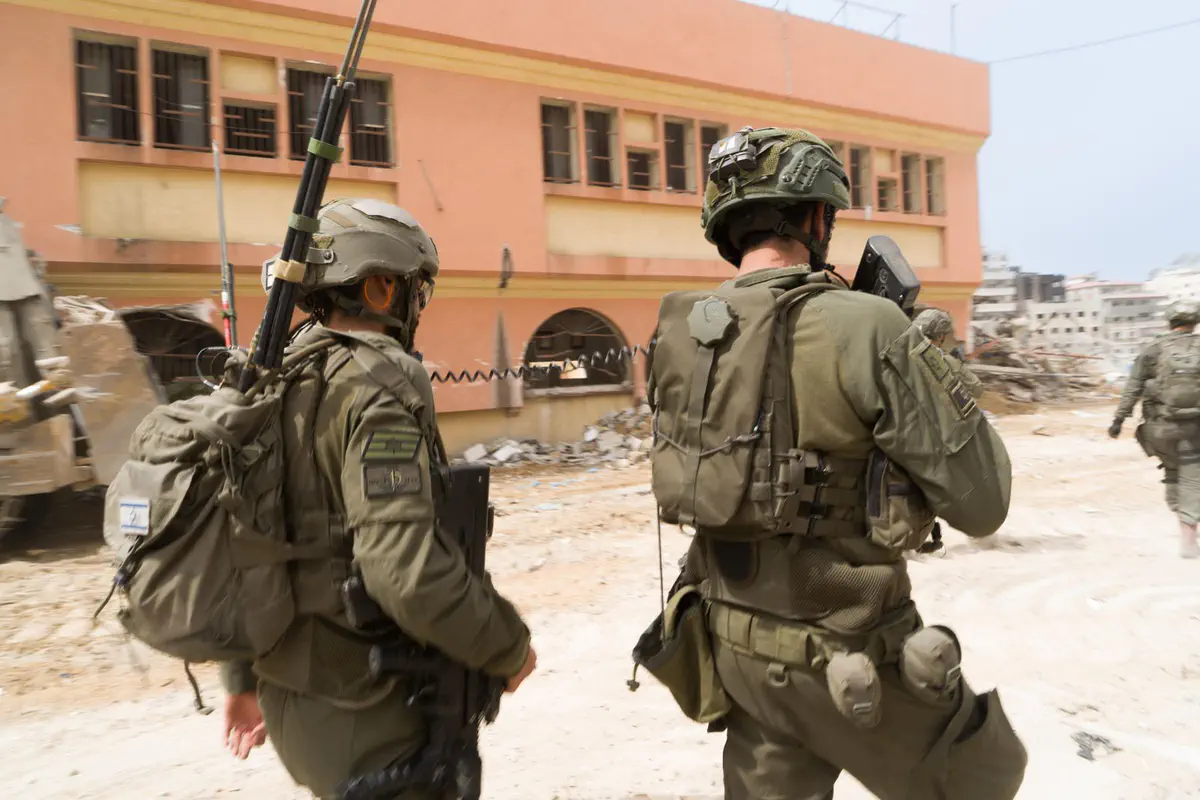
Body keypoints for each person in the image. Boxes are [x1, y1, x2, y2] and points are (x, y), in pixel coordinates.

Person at [661, 127, 1025, 799]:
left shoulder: (686, 330)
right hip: (847, 656)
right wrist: (930, 367)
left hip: (732, 649)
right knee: (988, 773)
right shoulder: (870, 325)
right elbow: (984, 504)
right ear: (816, 217)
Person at [219, 199, 537, 798]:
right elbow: (404, 572)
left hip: (291, 701)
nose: (418, 306)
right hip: (368, 710)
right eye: (416, 290)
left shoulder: (275, 380)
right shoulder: (376, 387)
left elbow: (242, 541)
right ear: (383, 288)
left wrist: (240, 679)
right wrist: (508, 646)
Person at [1110, 300, 1200, 559]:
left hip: (1160, 428)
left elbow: (1133, 388)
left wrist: (1118, 420)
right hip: (1194, 428)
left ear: (1170, 322)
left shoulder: (1153, 349)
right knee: (1192, 477)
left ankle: (1180, 515)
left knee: (1172, 471)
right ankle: (1189, 539)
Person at [912, 308, 983, 554]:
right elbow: (977, 389)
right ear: (941, 336)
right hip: (934, 435)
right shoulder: (944, 361)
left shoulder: (901, 355)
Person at [914, 308, 984, 401]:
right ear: (940, 336)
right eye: (948, 333)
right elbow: (977, 390)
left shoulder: (907, 355)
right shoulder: (947, 361)